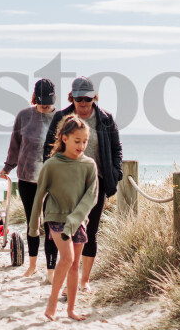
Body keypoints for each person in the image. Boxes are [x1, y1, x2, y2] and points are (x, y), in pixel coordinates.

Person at [43, 76, 122, 293]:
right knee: (67, 231)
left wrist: (116, 173)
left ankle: (84, 281)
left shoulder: (105, 118)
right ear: (72, 98)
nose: (84, 103)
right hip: (66, 185)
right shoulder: (61, 118)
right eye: (79, 98)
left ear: (94, 97)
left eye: (88, 98)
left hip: (96, 183)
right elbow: (48, 150)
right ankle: (68, 280)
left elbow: (116, 148)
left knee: (91, 232)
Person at [29, 114, 98, 321]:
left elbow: (91, 197)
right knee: (66, 258)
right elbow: (39, 195)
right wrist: (33, 227)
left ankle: (70, 310)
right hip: (56, 217)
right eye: (77, 141)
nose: (81, 146)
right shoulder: (52, 164)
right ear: (64, 138)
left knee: (75, 264)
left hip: (77, 221)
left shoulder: (89, 165)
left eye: (85, 141)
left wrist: (75, 219)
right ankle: (52, 302)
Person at [0, 78, 57, 280]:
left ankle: (51, 270)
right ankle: (32, 265)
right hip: (27, 179)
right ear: (34, 98)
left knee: (52, 224)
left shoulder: (61, 118)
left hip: (54, 181)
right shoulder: (24, 116)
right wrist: (7, 167)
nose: (44, 105)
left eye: (48, 102)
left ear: (54, 98)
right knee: (33, 223)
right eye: (41, 101)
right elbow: (15, 145)